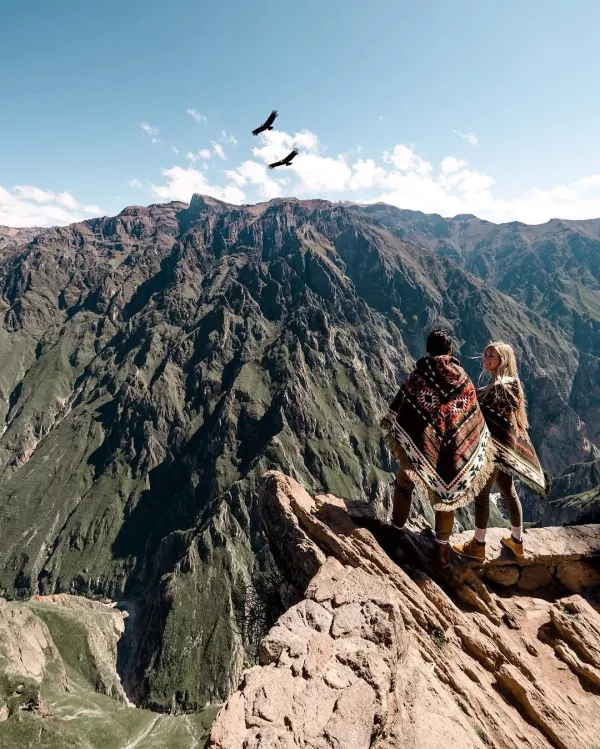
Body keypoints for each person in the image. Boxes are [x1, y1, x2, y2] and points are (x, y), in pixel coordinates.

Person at [381, 329, 496, 568]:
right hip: (452, 451)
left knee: (404, 484)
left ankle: (396, 532)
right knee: (446, 496)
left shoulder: (419, 376)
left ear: (428, 350)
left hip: (419, 447)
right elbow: (472, 416)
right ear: (450, 351)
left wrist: (404, 443)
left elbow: (404, 409)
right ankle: (443, 549)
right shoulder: (462, 377)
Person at [453, 342, 546, 562]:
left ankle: (478, 545)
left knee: (483, 495)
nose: (485, 359)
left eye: (491, 356)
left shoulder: (500, 387)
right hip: (507, 452)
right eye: (485, 354)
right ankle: (517, 542)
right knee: (508, 491)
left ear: (502, 360)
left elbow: (480, 404)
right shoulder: (510, 384)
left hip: (495, 451)